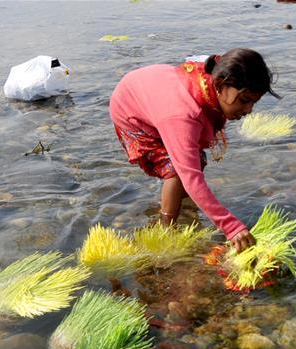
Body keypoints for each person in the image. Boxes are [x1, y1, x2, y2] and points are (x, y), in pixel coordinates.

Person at [109, 48, 279, 252]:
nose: (249, 110)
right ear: (219, 85)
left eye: (254, 102)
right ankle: (166, 228)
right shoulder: (182, 116)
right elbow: (190, 176)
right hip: (131, 110)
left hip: (154, 89)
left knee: (193, 158)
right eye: (244, 100)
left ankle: (185, 205)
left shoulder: (212, 80)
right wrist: (231, 226)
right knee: (175, 169)